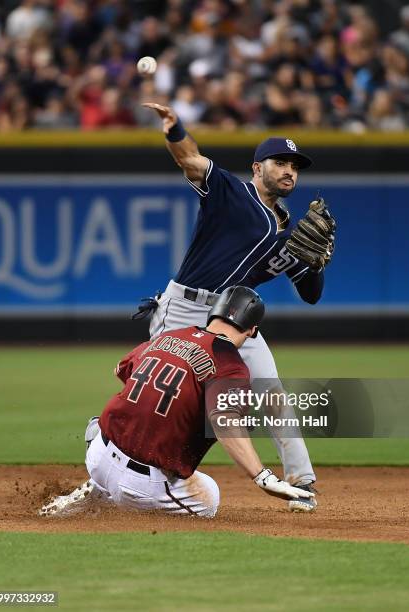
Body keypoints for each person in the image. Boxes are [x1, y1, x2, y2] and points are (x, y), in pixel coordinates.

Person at [133, 102, 336, 512]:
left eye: (295, 166)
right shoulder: (230, 191)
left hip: (235, 323)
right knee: (161, 397)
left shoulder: (293, 237)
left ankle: (302, 481)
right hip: (185, 311)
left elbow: (311, 294)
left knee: (272, 390)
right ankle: (114, 460)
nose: (289, 171)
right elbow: (190, 159)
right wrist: (174, 128)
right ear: (257, 167)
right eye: (280, 162)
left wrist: (316, 263)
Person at [39, 286, 315, 518]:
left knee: (101, 424)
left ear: (213, 313)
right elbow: (225, 423)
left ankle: (96, 488)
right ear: (253, 330)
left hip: (98, 455)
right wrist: (263, 477)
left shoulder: (169, 336)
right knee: (210, 498)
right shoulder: (231, 364)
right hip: (142, 485)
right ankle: (115, 498)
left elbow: (120, 370)